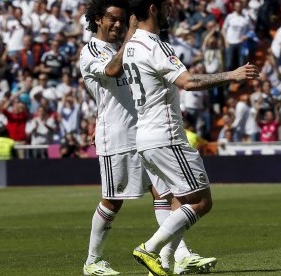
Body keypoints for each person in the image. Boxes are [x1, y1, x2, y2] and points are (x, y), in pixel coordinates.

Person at [79, 1, 217, 275]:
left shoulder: (132, 47)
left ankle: (178, 255)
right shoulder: (90, 51)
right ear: (97, 20)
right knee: (112, 200)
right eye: (112, 19)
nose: (118, 24)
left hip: (144, 132)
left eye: (122, 19)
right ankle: (92, 261)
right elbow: (111, 71)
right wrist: (131, 35)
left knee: (167, 193)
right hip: (117, 135)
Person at [123, 1, 260, 275]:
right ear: (153, 8)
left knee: (178, 202)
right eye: (166, 6)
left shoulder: (130, 46)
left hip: (145, 138)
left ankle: (161, 265)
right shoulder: (154, 45)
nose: (170, 11)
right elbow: (187, 82)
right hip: (167, 136)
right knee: (201, 202)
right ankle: (148, 248)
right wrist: (232, 75)